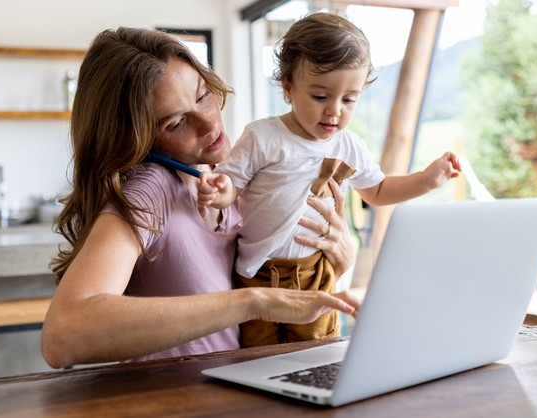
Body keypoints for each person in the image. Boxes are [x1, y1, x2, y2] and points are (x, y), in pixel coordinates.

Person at [40, 26, 361, 369]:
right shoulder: (151, 190)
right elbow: (63, 335)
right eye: (177, 123)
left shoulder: (228, 180)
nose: (210, 124)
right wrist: (254, 301)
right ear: (136, 139)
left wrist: (338, 263)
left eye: (203, 94)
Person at [197, 12, 462, 348]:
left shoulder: (349, 145)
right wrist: (219, 192)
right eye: (320, 97)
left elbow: (378, 190)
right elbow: (231, 184)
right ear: (288, 88)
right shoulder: (263, 136)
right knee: (255, 351)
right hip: (258, 273)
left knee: (318, 349)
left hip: (316, 273)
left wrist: (427, 179)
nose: (335, 110)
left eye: (349, 99)